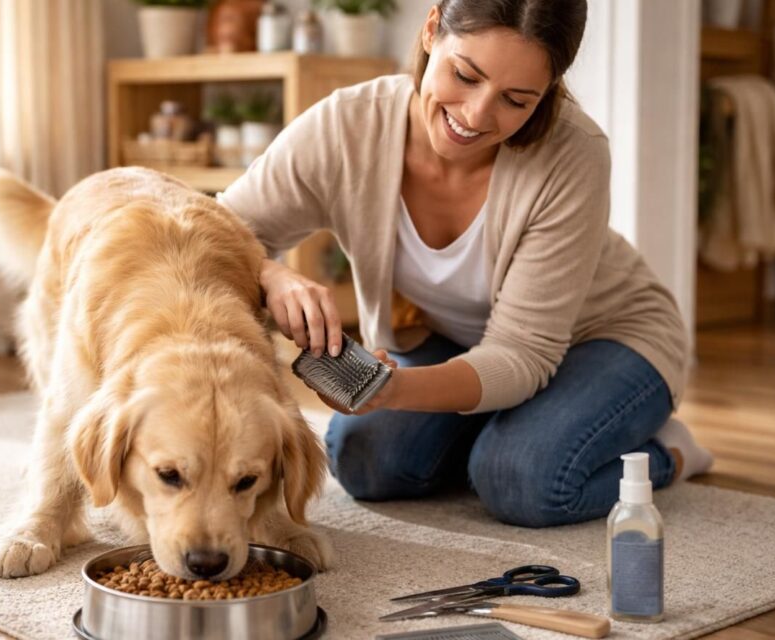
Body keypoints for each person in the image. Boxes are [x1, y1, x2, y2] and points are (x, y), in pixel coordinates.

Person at [218, 0, 713, 528]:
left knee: (522, 481)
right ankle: (509, 424)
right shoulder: (348, 126)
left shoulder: (575, 153)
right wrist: (272, 273)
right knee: (366, 462)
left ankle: (669, 453)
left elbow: (523, 353)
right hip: (458, 339)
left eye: (516, 100)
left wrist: (399, 391)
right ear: (432, 29)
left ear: (546, 94)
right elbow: (218, 227)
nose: (476, 116)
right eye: (465, 75)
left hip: (609, 336)